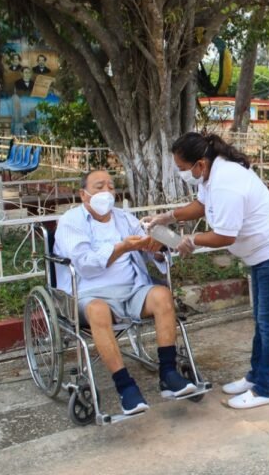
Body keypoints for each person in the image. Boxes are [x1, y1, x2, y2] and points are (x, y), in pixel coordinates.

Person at [143, 132, 269, 409]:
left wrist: (191, 241)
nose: (183, 174)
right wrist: (167, 217)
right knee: (262, 319)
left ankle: (267, 388)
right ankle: (255, 377)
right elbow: (201, 205)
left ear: (200, 164)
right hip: (264, 254)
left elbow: (225, 236)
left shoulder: (226, 183)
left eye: (183, 169)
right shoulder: (212, 174)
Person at [54, 170, 197, 416]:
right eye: (99, 187)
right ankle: (125, 386)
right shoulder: (70, 222)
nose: (107, 192)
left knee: (162, 295)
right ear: (83, 194)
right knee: (98, 311)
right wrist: (121, 247)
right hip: (91, 293)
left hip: (132, 289)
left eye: (111, 186)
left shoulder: (124, 218)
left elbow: (150, 240)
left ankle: (168, 374)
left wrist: (159, 247)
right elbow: (85, 263)